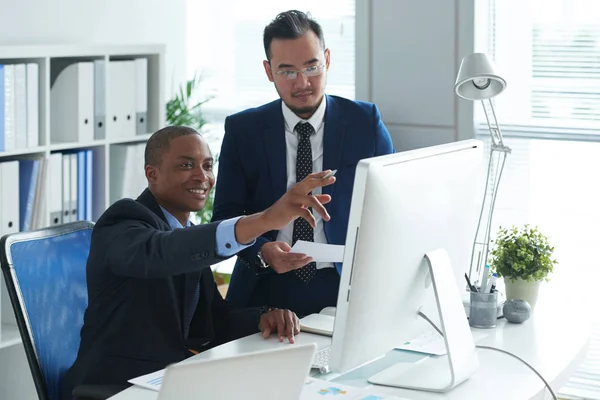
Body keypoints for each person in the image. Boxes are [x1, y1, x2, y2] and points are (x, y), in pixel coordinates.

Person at [61, 126, 335, 400]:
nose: (202, 176)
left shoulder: (185, 232)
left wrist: (263, 316)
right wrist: (263, 220)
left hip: (170, 381)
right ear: (151, 174)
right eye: (186, 165)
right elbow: (160, 252)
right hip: (115, 386)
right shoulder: (123, 220)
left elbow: (213, 321)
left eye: (207, 165)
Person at [212, 10, 395, 317]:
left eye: (312, 67)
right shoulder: (243, 130)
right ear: (269, 71)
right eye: (287, 71)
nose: (303, 83)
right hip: (264, 287)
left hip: (344, 286)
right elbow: (225, 217)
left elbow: (389, 208)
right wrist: (262, 251)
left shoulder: (365, 122)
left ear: (327, 59)